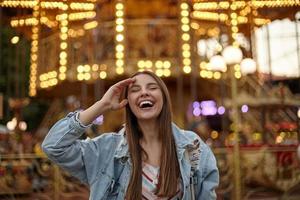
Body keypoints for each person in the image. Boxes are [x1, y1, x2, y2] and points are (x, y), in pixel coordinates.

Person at [42, 71, 219, 200]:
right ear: (127, 103)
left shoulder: (193, 146)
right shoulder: (106, 150)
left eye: (152, 87)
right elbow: (53, 147)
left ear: (164, 98)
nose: (144, 92)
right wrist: (101, 105)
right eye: (135, 90)